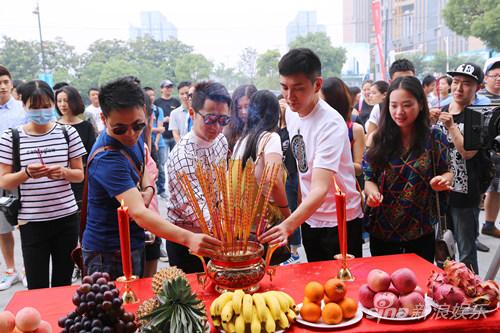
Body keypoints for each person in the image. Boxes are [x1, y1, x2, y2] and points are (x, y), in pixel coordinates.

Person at [82, 77, 221, 278]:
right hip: (108, 251)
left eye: (137, 125)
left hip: (133, 240)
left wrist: (148, 190)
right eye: (120, 128)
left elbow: (142, 166)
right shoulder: (107, 157)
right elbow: (138, 213)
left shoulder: (135, 137)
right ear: (104, 119)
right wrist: (189, 238)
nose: (131, 134)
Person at [260, 48, 364, 262]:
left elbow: (320, 187)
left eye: (298, 88)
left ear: (317, 85)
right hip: (311, 218)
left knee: (343, 287)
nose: (289, 97)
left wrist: (288, 225)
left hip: (340, 221)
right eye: (284, 88)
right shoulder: (291, 112)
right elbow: (302, 165)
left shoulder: (330, 124)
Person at [0, 80, 86, 289]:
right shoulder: (11, 137)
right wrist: (26, 173)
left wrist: (64, 172)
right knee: (36, 285)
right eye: (35, 107)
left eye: (46, 106)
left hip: (66, 219)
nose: (41, 111)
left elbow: (79, 175)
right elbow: (3, 180)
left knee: (63, 283)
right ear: (24, 106)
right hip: (31, 221)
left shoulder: (67, 133)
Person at [363, 76, 452, 263]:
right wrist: (372, 195)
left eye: (406, 105)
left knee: (420, 286)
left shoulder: (434, 137)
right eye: (393, 105)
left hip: (421, 228)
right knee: (384, 287)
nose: (399, 112)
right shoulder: (377, 139)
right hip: (383, 228)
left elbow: (447, 171)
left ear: (420, 104)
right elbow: (369, 178)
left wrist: (443, 180)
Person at [165, 81, 231, 273]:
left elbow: (222, 184)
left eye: (223, 120)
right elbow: (198, 212)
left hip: (215, 234)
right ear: (192, 113)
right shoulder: (183, 156)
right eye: (210, 119)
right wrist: (234, 232)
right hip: (187, 242)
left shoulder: (220, 140)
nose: (217, 127)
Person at [435, 63, 487, 273]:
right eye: (456, 82)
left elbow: (468, 153)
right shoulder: (441, 111)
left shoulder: (478, 116)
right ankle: (443, 292)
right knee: (441, 250)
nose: (459, 88)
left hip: (465, 195)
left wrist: (451, 126)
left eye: (466, 84)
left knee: (466, 252)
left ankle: (472, 296)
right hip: (439, 194)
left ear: (478, 88)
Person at [232, 90, 292, 261]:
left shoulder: (242, 140)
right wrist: (288, 215)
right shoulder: (270, 138)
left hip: (239, 230)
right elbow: (271, 181)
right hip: (262, 230)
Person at [0, 66, 26, 290]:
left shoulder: (22, 109)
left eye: (5, 81)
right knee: (2, 226)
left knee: (26, 222)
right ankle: (11, 270)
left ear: (10, 83)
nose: (2, 86)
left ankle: (28, 269)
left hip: (21, 175)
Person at [55, 86, 97, 208]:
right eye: (59, 101)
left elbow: (92, 155)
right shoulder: (53, 127)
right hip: (59, 180)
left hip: (82, 179)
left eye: (66, 100)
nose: (62, 104)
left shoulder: (86, 127)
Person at [321, 77, 365, 178]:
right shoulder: (315, 127)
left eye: (323, 102)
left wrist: (331, 162)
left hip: (344, 188)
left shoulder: (354, 129)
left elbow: (359, 168)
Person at [277, 95, 302, 265]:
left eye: (284, 104)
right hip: (282, 175)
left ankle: (295, 249)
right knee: (284, 212)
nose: (282, 107)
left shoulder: (294, 127)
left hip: (293, 175)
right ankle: (287, 248)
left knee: (293, 210)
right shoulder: (273, 130)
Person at [478, 57, 500, 238]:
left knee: (497, 190)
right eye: (495, 75)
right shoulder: (479, 99)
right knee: (481, 190)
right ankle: (474, 233)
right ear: (486, 77)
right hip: (483, 153)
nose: (498, 78)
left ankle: (489, 224)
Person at [366, 59, 416, 135]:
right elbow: (370, 141)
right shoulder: (380, 109)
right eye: (394, 106)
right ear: (390, 82)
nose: (404, 85)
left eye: (409, 80)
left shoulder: (423, 106)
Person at [144, 87, 167, 198]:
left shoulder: (158, 110)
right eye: (149, 95)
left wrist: (156, 142)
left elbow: (161, 129)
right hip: (146, 142)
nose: (151, 97)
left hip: (158, 142)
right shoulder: (142, 110)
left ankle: (161, 189)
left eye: (153, 95)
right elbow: (156, 129)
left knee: (160, 167)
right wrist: (154, 129)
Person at [223, 84, 257, 155]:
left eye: (247, 106)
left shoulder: (263, 130)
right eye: (239, 108)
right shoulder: (228, 131)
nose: (244, 112)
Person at [154, 79, 180, 153]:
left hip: (174, 135)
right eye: (167, 87)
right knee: (164, 161)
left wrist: (172, 119)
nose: (169, 89)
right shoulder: (157, 102)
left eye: (171, 87)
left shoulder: (176, 102)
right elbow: (153, 119)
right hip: (162, 137)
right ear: (161, 89)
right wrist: (163, 120)